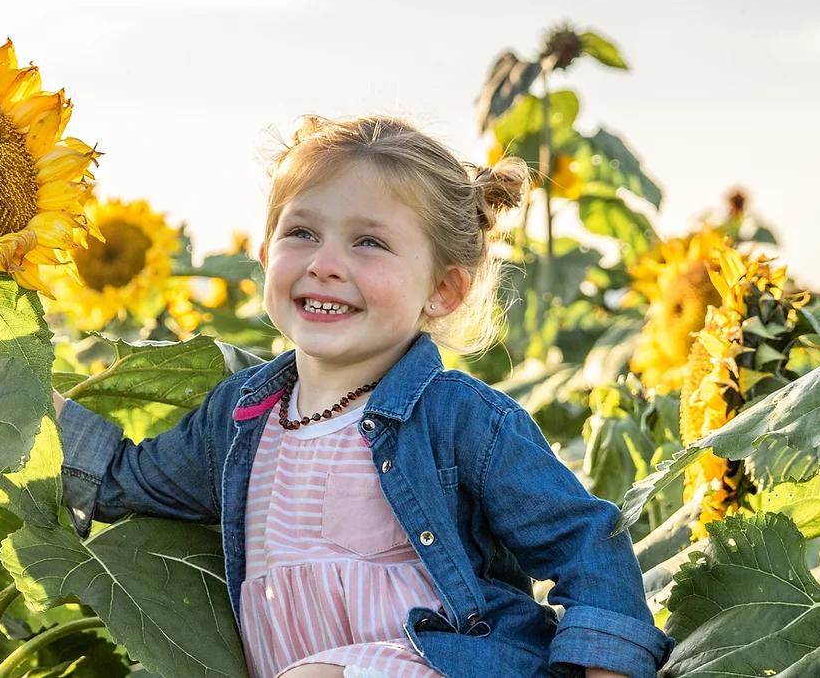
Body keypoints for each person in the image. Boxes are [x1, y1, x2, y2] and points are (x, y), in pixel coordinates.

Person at [52, 115, 673, 678]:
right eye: (302, 232)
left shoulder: (459, 417)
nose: (324, 263)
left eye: (368, 242)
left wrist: (606, 667)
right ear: (266, 256)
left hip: (451, 660)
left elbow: (584, 538)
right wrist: (26, 402)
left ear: (443, 290)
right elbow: (120, 481)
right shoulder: (241, 419)